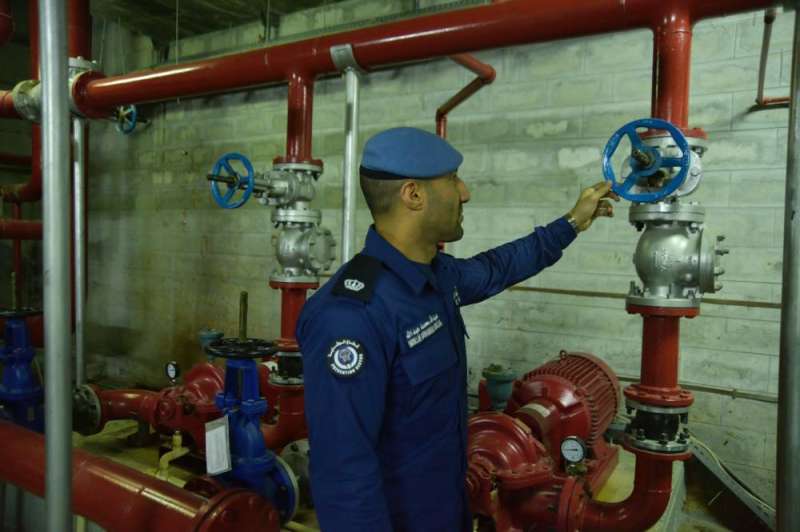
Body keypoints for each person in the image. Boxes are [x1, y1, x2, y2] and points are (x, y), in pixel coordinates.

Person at [296, 127, 617, 531]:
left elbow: (498, 267)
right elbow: (344, 475)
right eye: (452, 179)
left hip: (449, 507)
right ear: (413, 194)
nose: (465, 192)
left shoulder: (436, 275)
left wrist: (571, 223)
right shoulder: (350, 315)